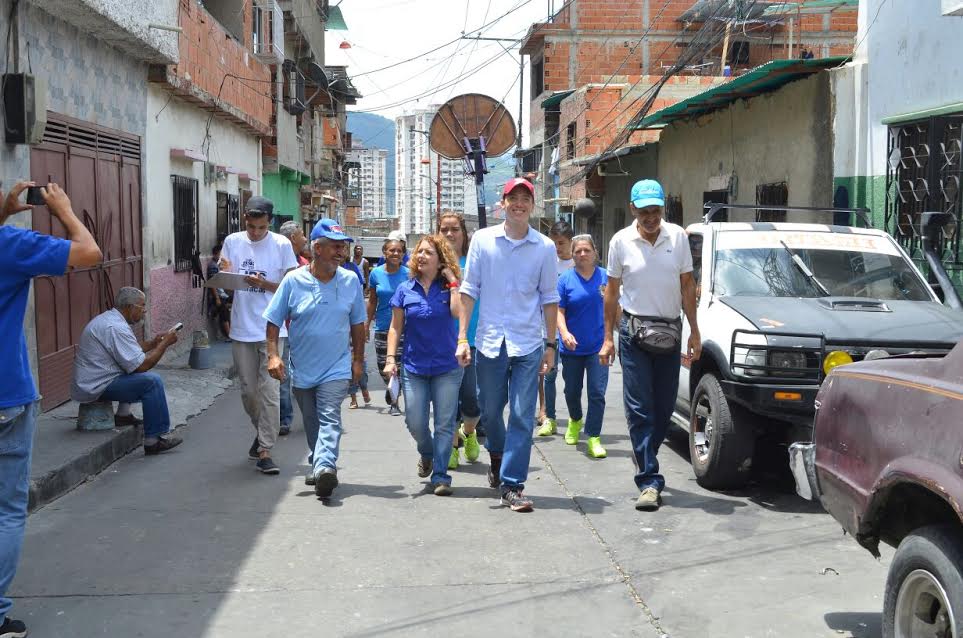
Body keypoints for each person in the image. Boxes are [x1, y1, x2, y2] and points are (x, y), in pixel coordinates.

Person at [0, 181, 101, 638]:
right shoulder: (10, 245)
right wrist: (63, 209)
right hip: (6, 396)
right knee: (5, 509)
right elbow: (88, 253)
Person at [457, 178, 559, 513]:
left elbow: (549, 298)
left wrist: (550, 344)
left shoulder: (544, 247)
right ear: (502, 203)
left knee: (521, 414)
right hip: (489, 342)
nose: (519, 204)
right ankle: (497, 455)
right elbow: (469, 290)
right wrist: (462, 338)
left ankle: (512, 485)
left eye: (525, 199)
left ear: (533, 205)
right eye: (513, 198)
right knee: (490, 412)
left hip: (528, 342)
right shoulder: (484, 241)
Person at [600, 179, 701, 511]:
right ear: (633, 210)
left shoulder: (678, 238)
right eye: (644, 212)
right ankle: (649, 480)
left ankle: (643, 450)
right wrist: (607, 339)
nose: (651, 218)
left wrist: (694, 331)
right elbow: (612, 293)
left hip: (670, 334)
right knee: (640, 408)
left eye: (656, 211)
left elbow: (688, 285)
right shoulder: (620, 242)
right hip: (633, 334)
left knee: (664, 407)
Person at [264, 219, 366, 497]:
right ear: (317, 249)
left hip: (337, 365)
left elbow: (358, 324)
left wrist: (358, 360)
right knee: (311, 421)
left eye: (343, 247)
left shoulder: (350, 280)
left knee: (330, 415)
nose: (341, 252)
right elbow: (273, 321)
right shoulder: (293, 280)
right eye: (334, 247)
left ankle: (325, 467)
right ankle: (317, 463)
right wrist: (273, 356)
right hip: (302, 366)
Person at [219, 196, 299, 475]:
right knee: (248, 392)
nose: (255, 232)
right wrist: (223, 276)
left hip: (272, 331)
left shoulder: (282, 245)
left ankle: (266, 449)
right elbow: (227, 287)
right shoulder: (232, 241)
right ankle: (261, 432)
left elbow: (292, 290)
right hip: (241, 328)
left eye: (261, 227)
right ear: (245, 221)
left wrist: (262, 283)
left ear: (270, 223)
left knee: (270, 392)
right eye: (251, 227)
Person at [384, 235, 464, 495]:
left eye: (428, 252)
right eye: (419, 252)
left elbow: (457, 312)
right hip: (413, 367)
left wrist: (452, 282)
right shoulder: (405, 290)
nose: (421, 256)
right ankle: (426, 453)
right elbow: (396, 328)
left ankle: (441, 476)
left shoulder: (450, 288)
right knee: (415, 421)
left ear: (440, 259)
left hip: (447, 367)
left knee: (444, 423)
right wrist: (390, 359)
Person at [71, 287, 182, 454]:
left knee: (132, 369)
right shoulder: (115, 327)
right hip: (94, 386)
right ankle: (153, 441)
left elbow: (132, 351)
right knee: (152, 382)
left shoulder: (114, 320)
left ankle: (123, 415)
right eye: (142, 306)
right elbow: (143, 365)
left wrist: (154, 343)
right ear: (130, 307)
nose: (144, 311)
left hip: (95, 380)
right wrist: (165, 344)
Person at [556, 235, 609, 458]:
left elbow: (614, 308)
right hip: (572, 348)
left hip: (599, 347)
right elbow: (559, 311)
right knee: (571, 391)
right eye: (578, 251)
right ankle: (575, 419)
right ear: (573, 254)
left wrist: (612, 339)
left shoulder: (606, 277)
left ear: (595, 252)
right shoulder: (565, 279)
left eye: (586, 250)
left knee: (597, 392)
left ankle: (594, 436)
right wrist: (564, 332)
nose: (582, 254)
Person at [437, 211, 482, 470]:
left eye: (455, 229)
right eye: (445, 229)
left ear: (464, 234)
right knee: (447, 401)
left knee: (473, 400)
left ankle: (470, 431)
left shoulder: (474, 261)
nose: (450, 234)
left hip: (474, 339)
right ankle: (452, 447)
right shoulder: (431, 262)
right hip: (442, 341)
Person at [536, 220, 575, 436]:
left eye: (561, 243)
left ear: (571, 242)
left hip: (569, 330)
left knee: (571, 378)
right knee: (546, 373)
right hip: (545, 328)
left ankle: (573, 416)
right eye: (553, 244)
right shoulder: (546, 263)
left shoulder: (576, 265)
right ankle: (546, 413)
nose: (557, 248)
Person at [367, 237, 409, 416]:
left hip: (404, 327)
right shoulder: (375, 273)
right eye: (392, 250)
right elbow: (372, 300)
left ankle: (395, 402)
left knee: (397, 364)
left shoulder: (409, 274)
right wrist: (366, 323)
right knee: (383, 366)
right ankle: (391, 388)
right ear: (384, 252)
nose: (396, 253)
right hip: (383, 326)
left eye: (399, 251)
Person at [276, 221, 310, 436]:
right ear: (291, 239)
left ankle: (310, 411)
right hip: (283, 327)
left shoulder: (305, 263)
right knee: (283, 376)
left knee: (304, 373)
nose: (305, 238)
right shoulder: (280, 263)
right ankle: (284, 418)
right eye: (301, 235)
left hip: (303, 328)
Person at [339, 251, 370, 409]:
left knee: (359, 366)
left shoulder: (351, 273)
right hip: (338, 338)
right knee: (348, 367)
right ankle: (353, 397)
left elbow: (359, 310)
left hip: (353, 331)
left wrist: (365, 326)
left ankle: (363, 387)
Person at [207, 244, 232, 341]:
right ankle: (229, 335)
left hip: (223, 294)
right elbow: (212, 283)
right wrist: (217, 298)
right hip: (217, 296)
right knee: (224, 311)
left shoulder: (218, 265)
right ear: (216, 254)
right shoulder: (212, 266)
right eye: (221, 254)